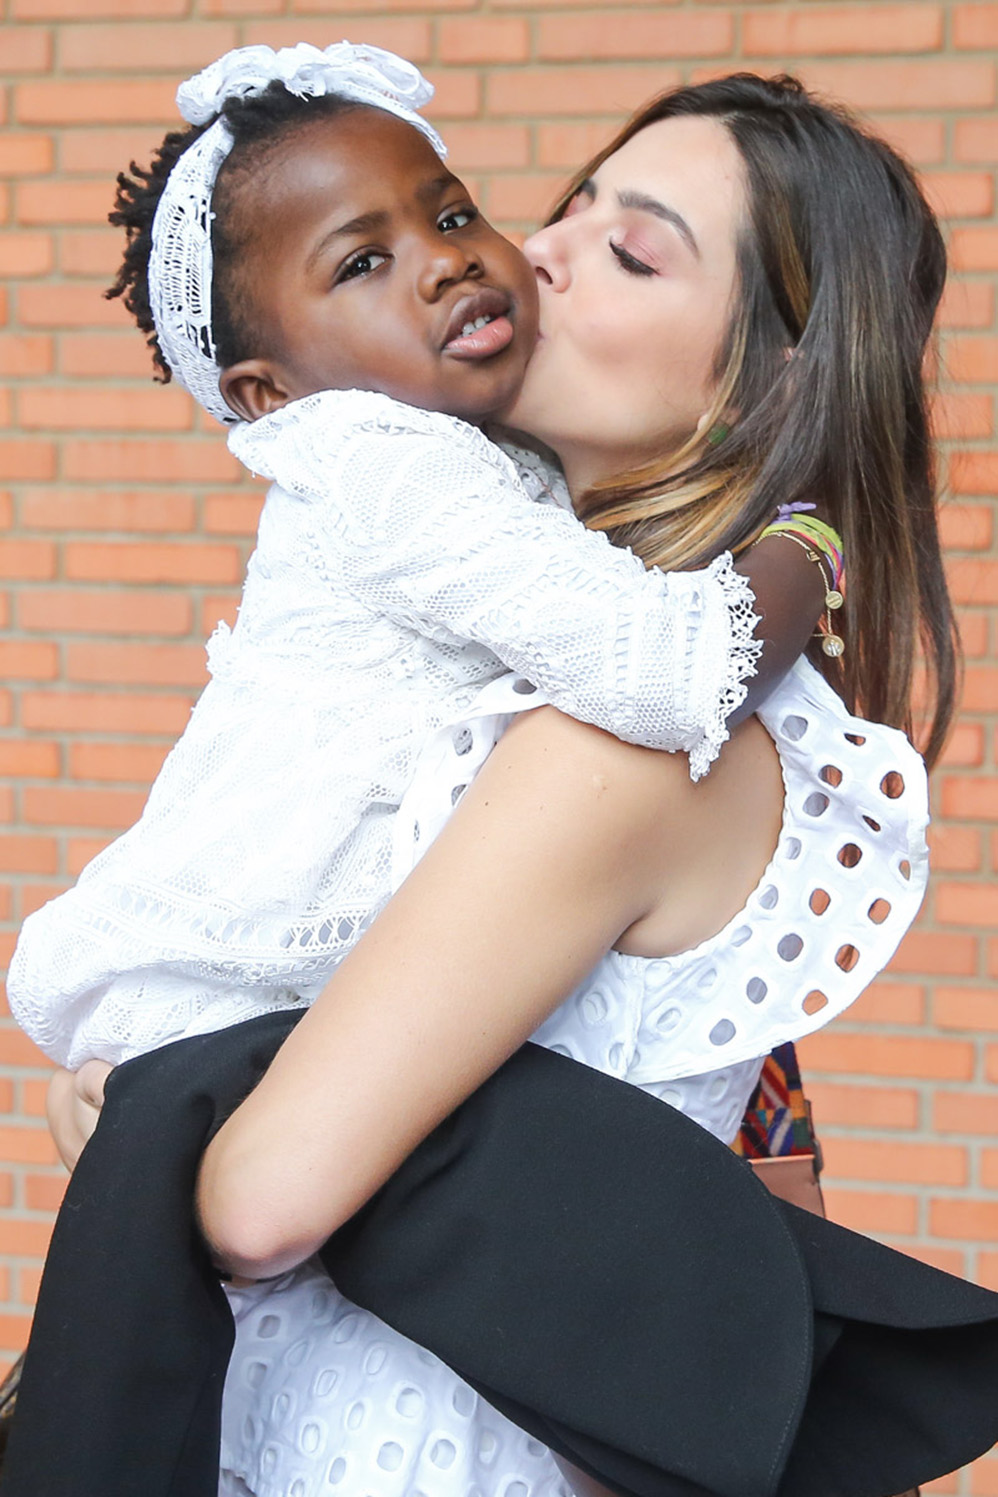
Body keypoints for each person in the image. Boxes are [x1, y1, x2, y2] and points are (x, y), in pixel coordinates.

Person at [11, 58, 993, 1497]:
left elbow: (260, 1190)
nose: (528, 249)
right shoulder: (535, 650)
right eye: (566, 206)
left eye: (628, 246)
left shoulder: (623, 737)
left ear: (761, 376)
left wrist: (171, 1100)